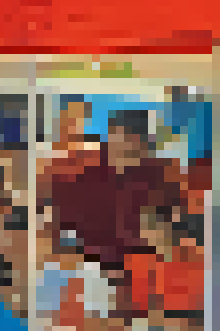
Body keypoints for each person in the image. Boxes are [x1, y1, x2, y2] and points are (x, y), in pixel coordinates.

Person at [48, 110, 181, 274]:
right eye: (114, 137)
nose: (118, 144)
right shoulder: (90, 173)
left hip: (140, 268)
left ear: (141, 143)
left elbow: (167, 229)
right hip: (88, 267)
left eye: (127, 138)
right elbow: (60, 211)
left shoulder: (159, 177)